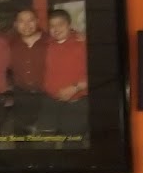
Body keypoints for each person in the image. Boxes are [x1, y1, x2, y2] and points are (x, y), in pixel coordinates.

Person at [40, 8, 89, 139]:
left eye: (60, 24)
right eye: (52, 25)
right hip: (50, 102)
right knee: (45, 139)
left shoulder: (83, 44)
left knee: (72, 141)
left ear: (69, 25)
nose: (56, 29)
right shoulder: (48, 44)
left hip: (76, 104)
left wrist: (75, 87)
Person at [6, 7, 48, 138]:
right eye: (21, 21)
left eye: (30, 20)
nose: (26, 25)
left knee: (45, 138)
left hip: (47, 97)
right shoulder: (9, 44)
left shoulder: (51, 41)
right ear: (15, 24)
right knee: (21, 138)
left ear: (37, 21)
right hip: (21, 97)